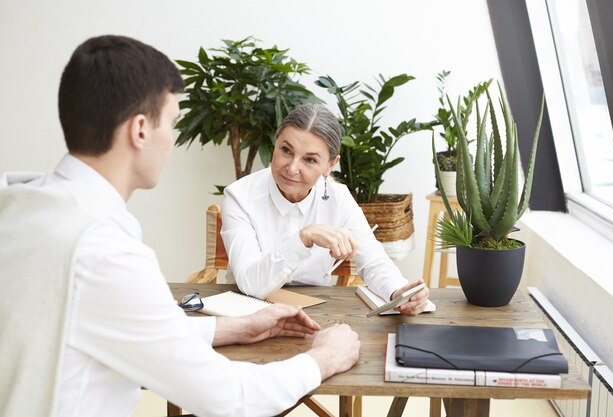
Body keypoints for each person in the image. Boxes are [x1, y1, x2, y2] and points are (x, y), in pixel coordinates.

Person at [0, 35, 360, 417]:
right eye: (171, 123)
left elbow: (130, 325)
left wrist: (238, 328)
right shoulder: (102, 250)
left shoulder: (22, 206)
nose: (172, 140)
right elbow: (230, 398)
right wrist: (322, 358)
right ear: (140, 131)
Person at [221, 104, 431, 316]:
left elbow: (374, 262)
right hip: (247, 312)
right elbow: (250, 284)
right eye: (286, 150)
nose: (292, 168)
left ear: (330, 165)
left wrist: (398, 292)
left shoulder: (338, 198)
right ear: (276, 144)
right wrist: (304, 237)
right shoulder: (239, 197)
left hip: (314, 314)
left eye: (310, 159)